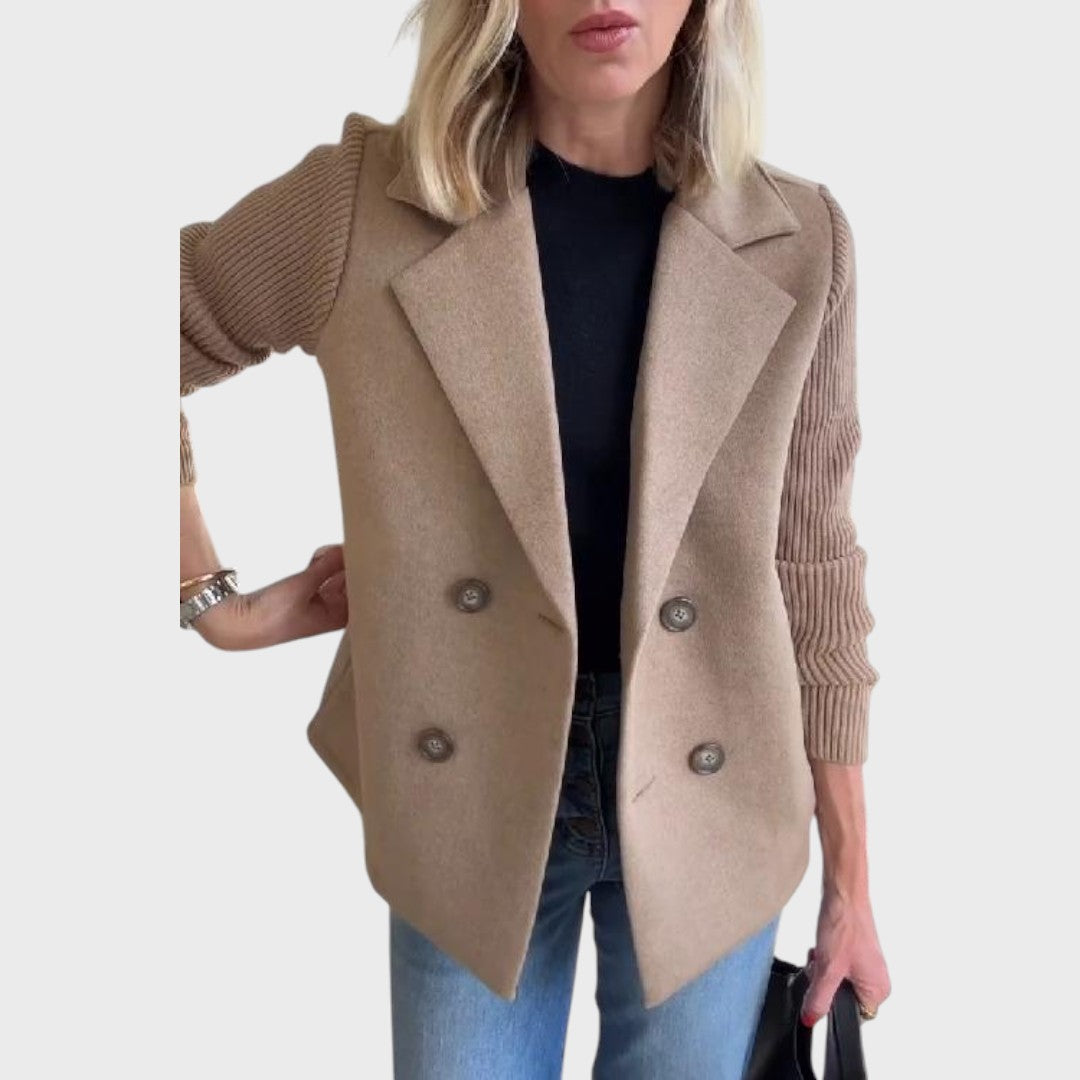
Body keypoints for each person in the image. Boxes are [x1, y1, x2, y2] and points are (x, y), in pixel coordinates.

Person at [179, 0, 892, 1075]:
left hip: (721, 794)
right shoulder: (363, 206)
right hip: (466, 790)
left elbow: (816, 563)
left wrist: (852, 884)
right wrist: (213, 601)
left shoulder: (799, 239)